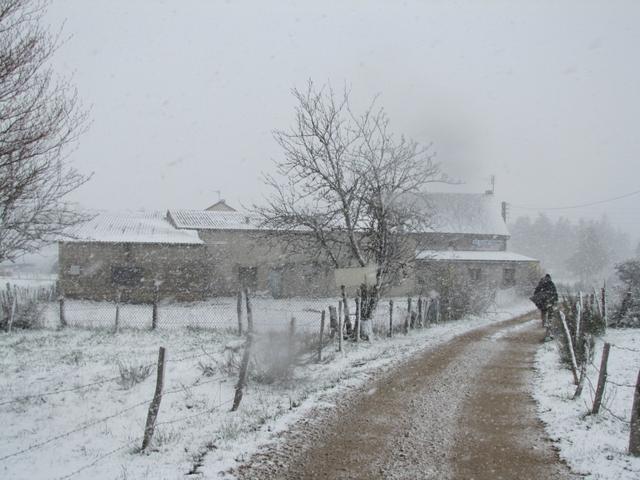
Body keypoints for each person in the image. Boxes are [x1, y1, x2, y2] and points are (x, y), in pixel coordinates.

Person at [531, 273, 558, 339]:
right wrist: (555, 299)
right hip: (549, 300)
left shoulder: (542, 282)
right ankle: (549, 322)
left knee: (543, 311)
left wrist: (538, 297)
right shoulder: (551, 283)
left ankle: (544, 322)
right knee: (550, 311)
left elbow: (536, 291)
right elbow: (554, 292)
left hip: (543, 301)